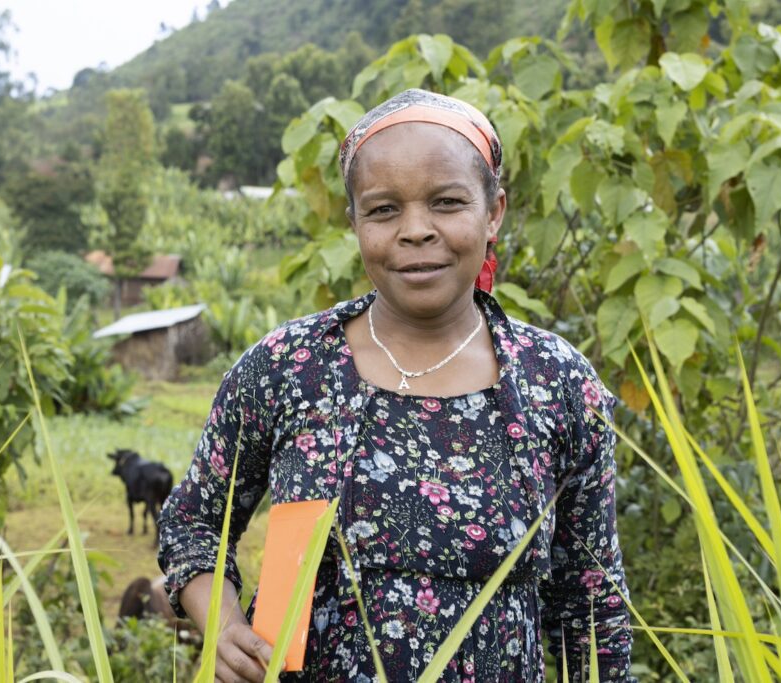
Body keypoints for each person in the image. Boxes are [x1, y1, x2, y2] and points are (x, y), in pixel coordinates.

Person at [158, 88, 634, 682]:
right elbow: (194, 525)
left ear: (494, 213)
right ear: (354, 220)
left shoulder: (555, 383)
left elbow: (591, 603)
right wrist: (225, 628)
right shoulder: (287, 367)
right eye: (383, 209)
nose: (415, 230)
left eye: (447, 202)